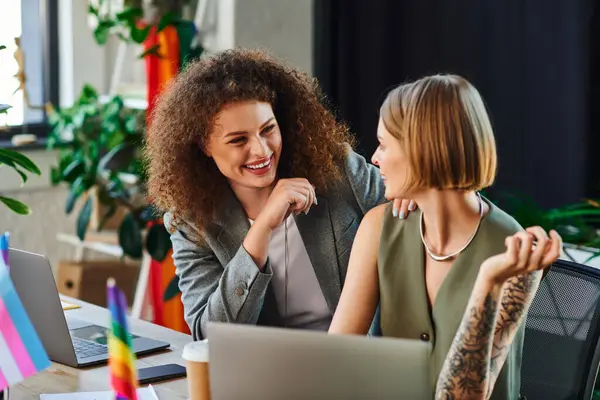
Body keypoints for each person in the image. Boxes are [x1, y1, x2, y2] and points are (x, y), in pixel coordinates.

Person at [145, 49, 413, 340]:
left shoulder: (334, 168)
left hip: (358, 366)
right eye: (238, 140)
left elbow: (418, 209)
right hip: (267, 376)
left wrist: (416, 192)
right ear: (204, 146)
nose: (261, 150)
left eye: (268, 129)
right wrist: (262, 229)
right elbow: (209, 333)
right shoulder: (191, 222)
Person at [328, 74, 562, 399]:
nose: (375, 158)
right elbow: (333, 359)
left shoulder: (512, 248)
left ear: (422, 150)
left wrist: (488, 284)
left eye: (384, 144)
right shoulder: (379, 228)